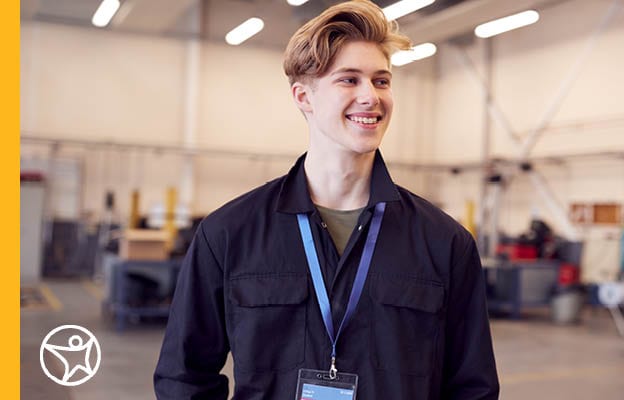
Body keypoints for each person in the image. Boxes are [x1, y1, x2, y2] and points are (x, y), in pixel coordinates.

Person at [153, 1, 499, 398]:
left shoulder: (445, 243)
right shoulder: (229, 234)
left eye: (381, 81)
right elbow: (183, 376)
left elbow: (473, 388)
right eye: (349, 80)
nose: (371, 96)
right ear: (304, 97)